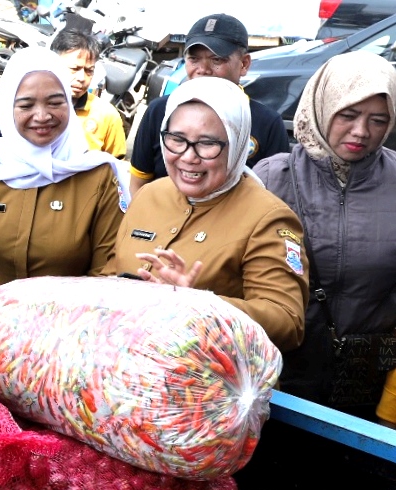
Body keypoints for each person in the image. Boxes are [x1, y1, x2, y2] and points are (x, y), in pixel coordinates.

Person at [106, 76, 308, 352]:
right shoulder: (149, 195)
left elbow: (287, 322)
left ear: (237, 145)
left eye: (207, 143)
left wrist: (201, 305)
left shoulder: (268, 217)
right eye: (177, 139)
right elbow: (109, 274)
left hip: (208, 385)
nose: (189, 156)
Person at [253, 51, 396, 411]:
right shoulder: (272, 177)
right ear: (321, 105)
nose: (361, 131)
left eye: (378, 120)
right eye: (347, 114)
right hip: (279, 372)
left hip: (365, 378)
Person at [0, 46, 129, 290]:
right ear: (9, 109)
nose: (42, 116)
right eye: (26, 105)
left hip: (68, 322)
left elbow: (107, 270)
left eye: (55, 102)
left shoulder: (98, 175)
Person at [128, 13, 289, 197]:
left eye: (217, 60)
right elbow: (139, 184)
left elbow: (276, 195)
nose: (203, 70)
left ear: (244, 64)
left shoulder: (267, 123)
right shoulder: (159, 112)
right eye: (194, 59)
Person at [50, 29, 126, 158]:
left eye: (89, 71)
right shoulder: (32, 108)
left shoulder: (107, 115)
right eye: (74, 69)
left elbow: (115, 165)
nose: (82, 78)